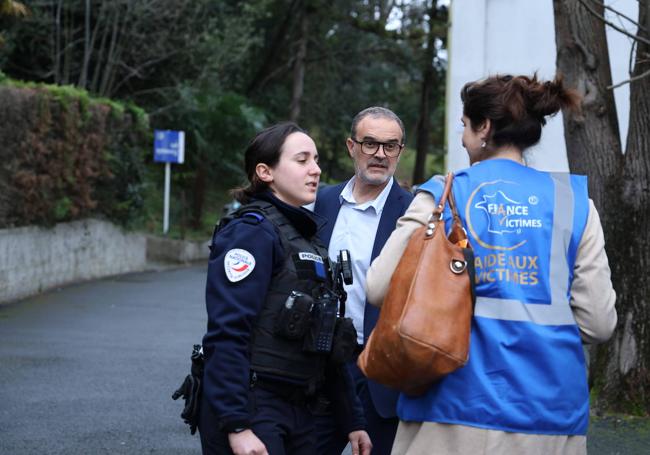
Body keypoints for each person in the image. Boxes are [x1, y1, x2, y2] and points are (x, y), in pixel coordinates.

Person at [365, 75, 617, 455]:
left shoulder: (442, 194)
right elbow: (599, 323)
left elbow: (378, 287)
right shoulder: (574, 202)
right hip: (549, 413)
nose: (463, 139)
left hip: (449, 407)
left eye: (464, 127)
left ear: (484, 127)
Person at [198, 122, 372, 455]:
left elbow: (329, 341)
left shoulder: (309, 240)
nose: (316, 170)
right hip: (255, 406)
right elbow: (228, 332)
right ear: (265, 172)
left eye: (317, 160)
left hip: (301, 409)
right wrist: (237, 425)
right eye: (302, 160)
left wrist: (353, 420)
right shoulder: (250, 233)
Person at [314, 107, 413, 455]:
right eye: (370, 143)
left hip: (380, 369)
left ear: (400, 151)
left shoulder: (414, 213)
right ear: (351, 146)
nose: (380, 155)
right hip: (322, 364)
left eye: (391, 146)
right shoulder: (320, 203)